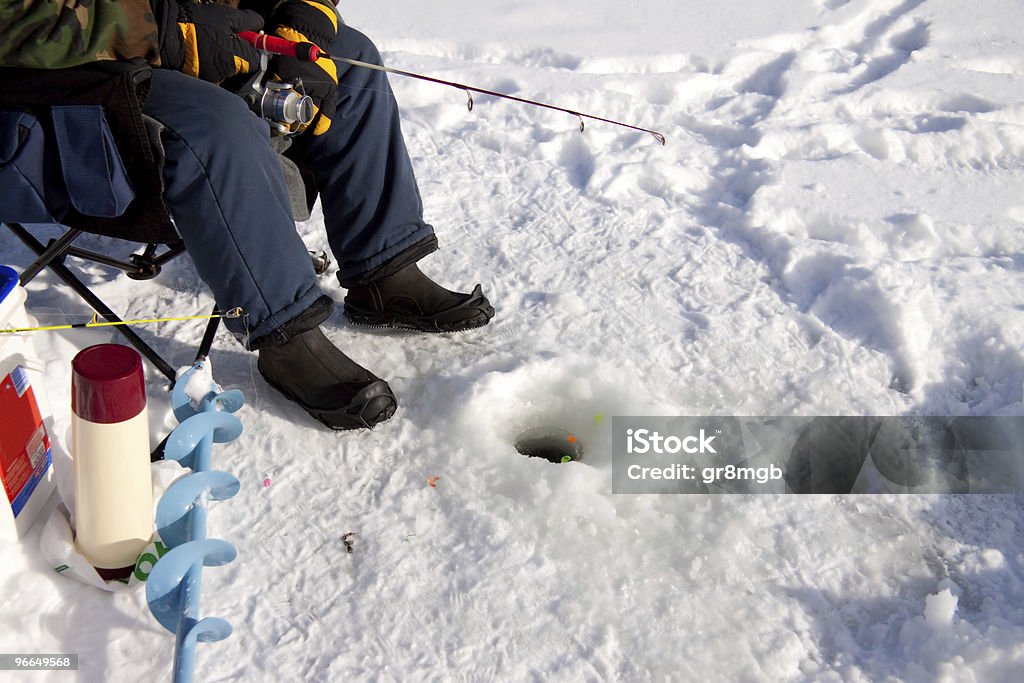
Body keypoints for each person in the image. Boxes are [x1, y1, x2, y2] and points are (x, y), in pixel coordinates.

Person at [0, 0, 495, 430]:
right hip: (56, 76)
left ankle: (383, 268)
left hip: (172, 40)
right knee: (216, 125)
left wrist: (304, 24)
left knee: (351, 58)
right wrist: (164, 30)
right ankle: (286, 336)